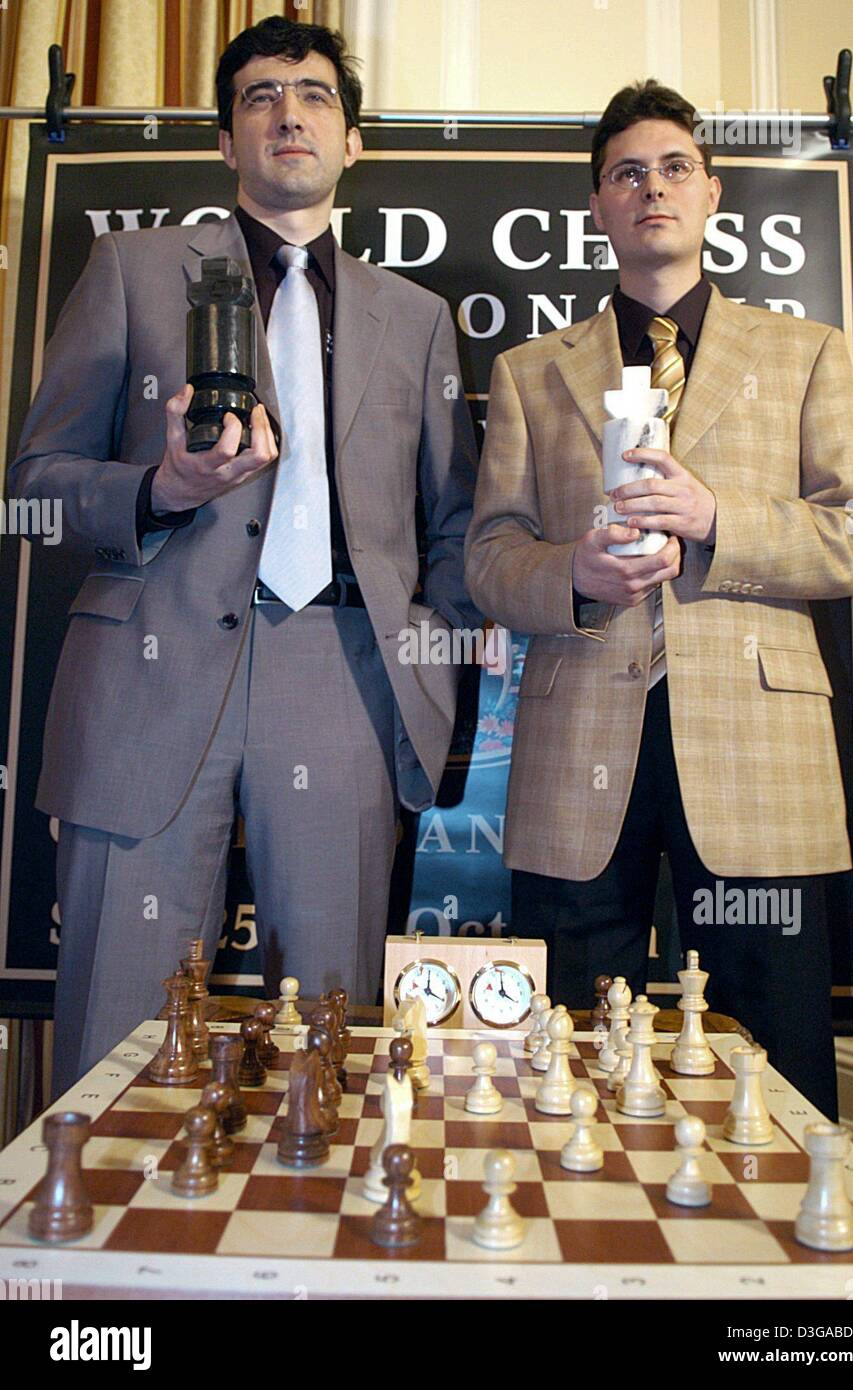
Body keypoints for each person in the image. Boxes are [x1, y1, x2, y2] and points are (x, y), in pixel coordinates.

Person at [10, 17, 479, 1099]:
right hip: (151, 676)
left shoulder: (416, 318)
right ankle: (98, 1254)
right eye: (261, 96)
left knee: (328, 1041)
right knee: (116, 1045)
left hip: (344, 678)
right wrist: (159, 489)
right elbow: (36, 482)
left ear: (352, 140)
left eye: (314, 95)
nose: (288, 114)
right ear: (227, 141)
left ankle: (310, 1253)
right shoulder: (130, 270)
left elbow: (452, 525)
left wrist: (423, 658)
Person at [464, 79, 853, 1121]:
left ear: (712, 194)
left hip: (758, 752)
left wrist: (717, 517)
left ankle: (789, 1278)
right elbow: (487, 558)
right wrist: (573, 572)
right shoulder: (529, 373)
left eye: (673, 168)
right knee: (567, 1058)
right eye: (626, 174)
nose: (651, 187)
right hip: (580, 755)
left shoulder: (807, 355)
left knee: (772, 1058)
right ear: (600, 210)